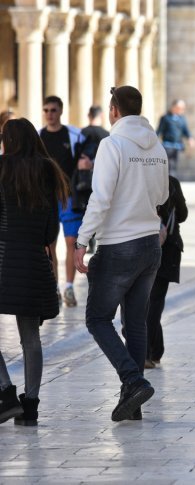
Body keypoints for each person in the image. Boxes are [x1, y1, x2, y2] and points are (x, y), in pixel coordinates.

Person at [74, 85, 169, 422]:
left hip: (119, 244)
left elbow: (100, 198)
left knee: (98, 318)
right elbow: (162, 194)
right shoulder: (156, 145)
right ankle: (133, 406)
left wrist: (81, 241)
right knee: (136, 322)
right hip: (149, 243)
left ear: (114, 110)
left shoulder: (112, 144)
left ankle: (133, 379)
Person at [0, 118, 69, 426]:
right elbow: (51, 228)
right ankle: (31, 406)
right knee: (30, 336)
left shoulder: (1, 168)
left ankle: (5, 394)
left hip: (3, 259)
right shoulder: (47, 169)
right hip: (32, 261)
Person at [39, 95, 85, 308]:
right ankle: (54, 287)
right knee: (49, 245)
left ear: (61, 111)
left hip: (68, 196)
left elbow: (86, 154)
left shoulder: (74, 135)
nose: (50, 114)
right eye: (46, 110)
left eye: (53, 110)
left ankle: (68, 286)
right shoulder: (39, 137)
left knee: (71, 241)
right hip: (47, 198)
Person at [145, 175, 188, 369]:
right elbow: (183, 215)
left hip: (142, 245)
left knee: (145, 302)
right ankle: (152, 351)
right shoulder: (171, 182)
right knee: (155, 303)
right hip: (169, 248)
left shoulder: (142, 179)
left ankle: (150, 351)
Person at [156, 99, 195, 177]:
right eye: (180, 108)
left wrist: (190, 138)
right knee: (169, 165)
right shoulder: (165, 118)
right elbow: (159, 131)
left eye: (183, 108)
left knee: (173, 165)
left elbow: (185, 130)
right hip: (167, 146)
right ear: (174, 107)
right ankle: (169, 182)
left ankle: (172, 182)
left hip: (177, 146)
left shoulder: (182, 119)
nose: (182, 110)